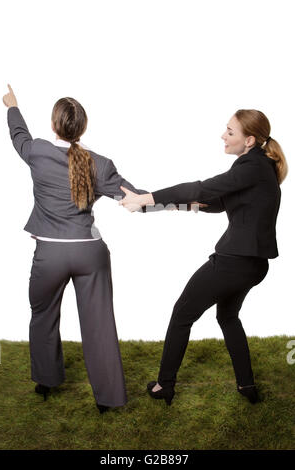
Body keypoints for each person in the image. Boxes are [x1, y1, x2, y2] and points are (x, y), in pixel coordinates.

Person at [2, 84, 154, 414]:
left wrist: (12, 105)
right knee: (99, 325)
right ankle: (109, 400)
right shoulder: (99, 163)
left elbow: (19, 136)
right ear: (81, 128)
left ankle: (46, 381)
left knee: (43, 316)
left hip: (51, 254)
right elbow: (137, 197)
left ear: (55, 124)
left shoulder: (38, 152)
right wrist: (184, 202)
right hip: (91, 253)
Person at [119, 109, 288, 405]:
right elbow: (215, 202)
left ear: (249, 140)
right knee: (227, 316)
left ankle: (164, 386)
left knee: (182, 314)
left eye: (230, 132)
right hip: (253, 265)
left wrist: (145, 198)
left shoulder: (251, 167)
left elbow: (200, 188)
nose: (223, 135)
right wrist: (163, 207)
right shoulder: (257, 167)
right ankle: (247, 387)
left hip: (234, 262)